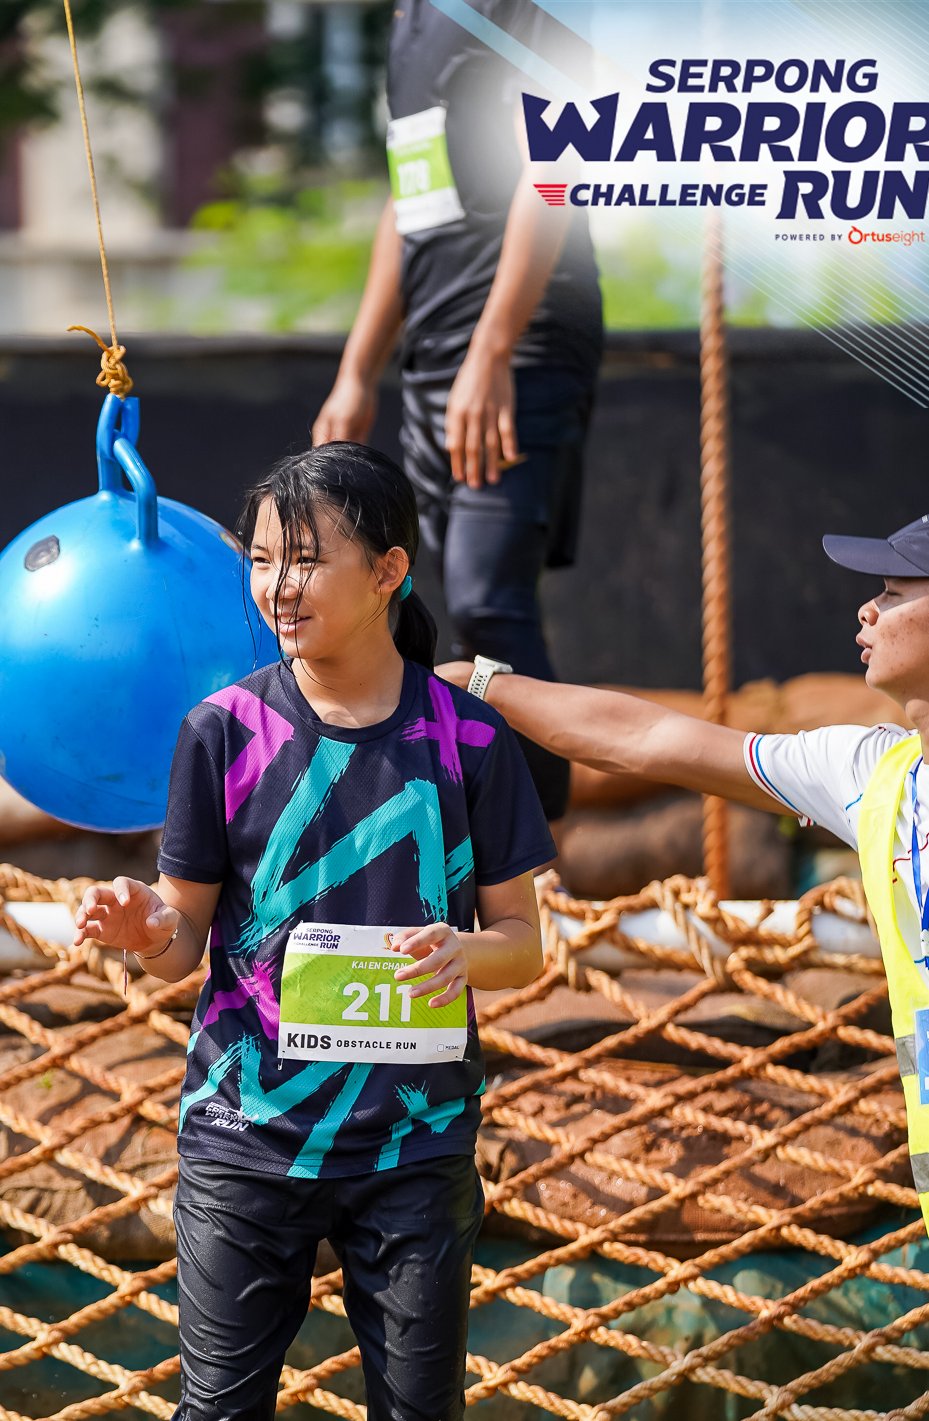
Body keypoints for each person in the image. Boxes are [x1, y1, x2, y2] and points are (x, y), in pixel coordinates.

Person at [438, 499, 929, 1421]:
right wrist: (479, 685)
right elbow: (647, 739)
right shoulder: (873, 773)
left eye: (893, 593)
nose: (865, 610)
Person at [74, 442, 553, 1421]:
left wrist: (462, 955)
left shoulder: (468, 741)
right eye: (261, 560)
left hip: (414, 1144)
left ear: (388, 570)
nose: (276, 587)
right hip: (244, 1136)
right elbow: (182, 938)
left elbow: (524, 946)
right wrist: (141, 927)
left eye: (304, 559)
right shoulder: (219, 731)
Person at [311, 0, 603, 827]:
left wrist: (495, 345)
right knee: (440, 610)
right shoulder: (410, 20)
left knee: (487, 603)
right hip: (434, 349)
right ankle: (481, 849)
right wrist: (358, 370)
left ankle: (541, 856)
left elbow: (560, 161)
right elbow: (407, 204)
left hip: (523, 339)